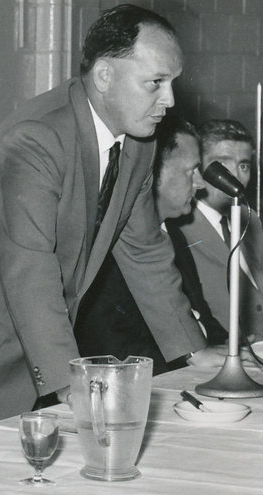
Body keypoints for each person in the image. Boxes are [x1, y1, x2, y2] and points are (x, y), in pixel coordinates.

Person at [0, 4, 209, 439]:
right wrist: (66, 384)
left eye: (172, 83)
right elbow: (29, 266)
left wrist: (193, 352)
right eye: (156, 83)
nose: (169, 100)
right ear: (105, 76)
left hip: (26, 345)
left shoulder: (139, 144)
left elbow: (143, 249)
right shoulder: (37, 138)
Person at [75, 116, 228, 374]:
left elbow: (203, 319)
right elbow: (114, 351)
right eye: (192, 170)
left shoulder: (173, 233)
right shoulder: (105, 251)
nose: (201, 184)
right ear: (152, 170)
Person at [176, 119, 263, 342]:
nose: (236, 176)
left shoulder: (249, 220)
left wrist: (262, 343)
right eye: (222, 164)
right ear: (197, 169)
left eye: (243, 165)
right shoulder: (180, 230)